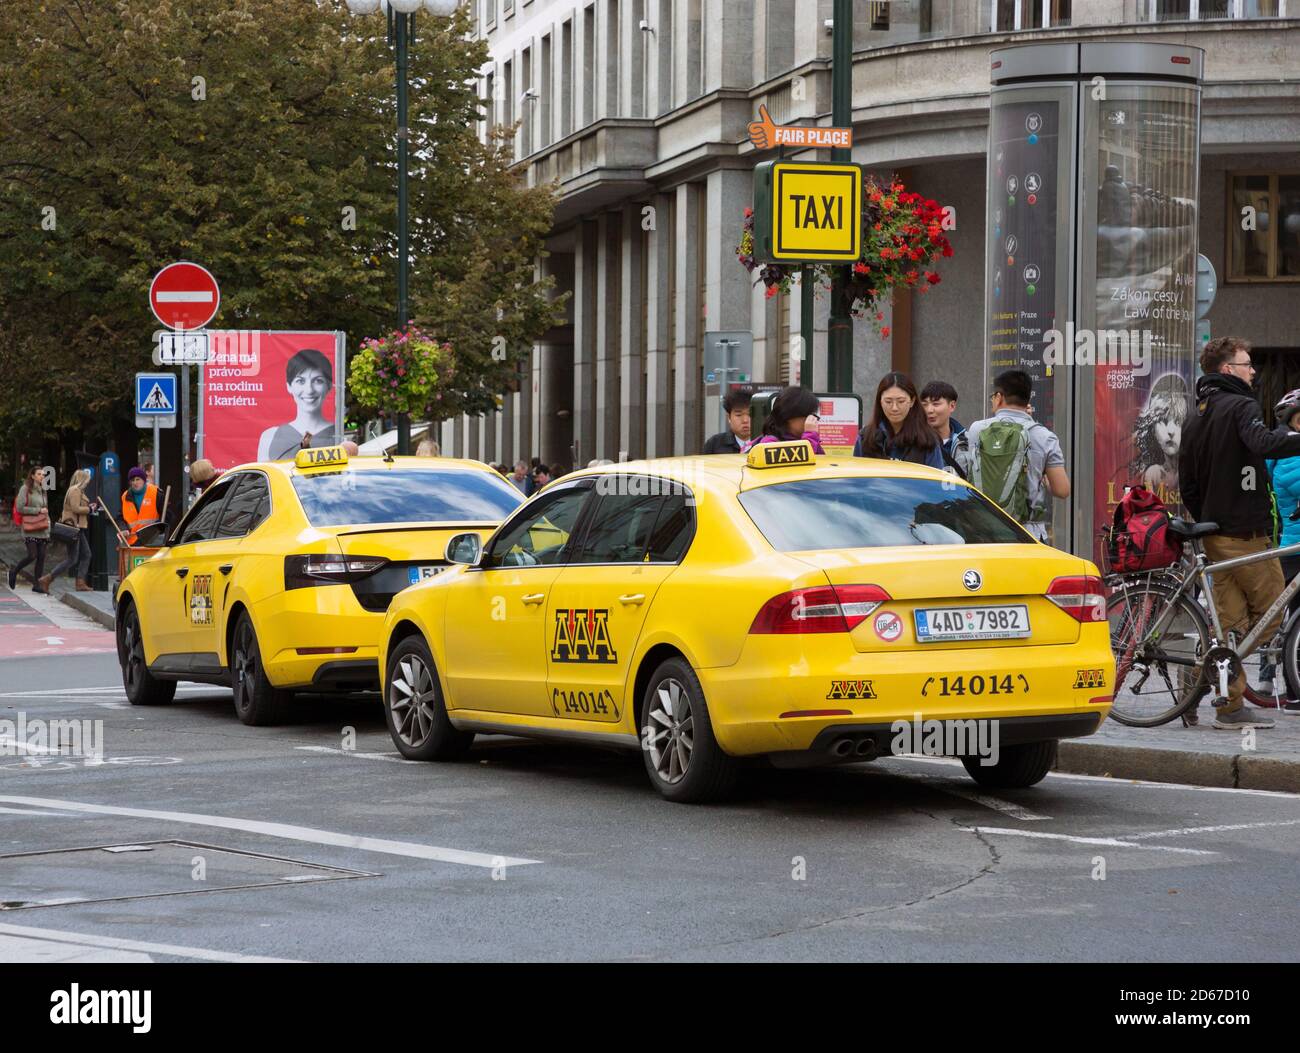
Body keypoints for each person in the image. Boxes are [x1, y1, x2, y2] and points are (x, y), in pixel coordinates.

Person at [1179, 337, 1300, 728]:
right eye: (1248, 364)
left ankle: (1226, 703)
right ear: (1228, 369)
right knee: (1274, 606)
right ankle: (1214, 667)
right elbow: (1262, 443)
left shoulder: (1196, 413)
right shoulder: (1241, 405)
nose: (1254, 371)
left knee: (1229, 625)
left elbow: (1187, 479)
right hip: (1245, 532)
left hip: (1213, 531)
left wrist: (1207, 518)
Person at [957, 369, 1069, 540]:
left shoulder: (977, 430)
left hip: (984, 531)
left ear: (999, 397)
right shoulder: (1045, 437)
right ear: (1028, 399)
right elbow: (1062, 490)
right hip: (1028, 534)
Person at [1261, 389, 1300, 700]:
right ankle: (1285, 684)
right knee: (1282, 616)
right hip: (1293, 547)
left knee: (1285, 616)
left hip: (1290, 545)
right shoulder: (1288, 455)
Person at [256, 348, 336, 460]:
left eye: (318, 381)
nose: (309, 390)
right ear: (289, 386)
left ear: (329, 386)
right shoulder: (270, 437)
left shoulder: (339, 436)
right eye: (301, 381)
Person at [855, 372, 944, 469]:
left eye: (901, 401)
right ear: (880, 401)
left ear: (912, 401)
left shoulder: (928, 440)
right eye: (888, 401)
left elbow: (935, 481)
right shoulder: (865, 438)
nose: (894, 408)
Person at [42, 469, 93, 592]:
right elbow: (75, 508)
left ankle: (80, 582)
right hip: (74, 528)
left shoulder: (76, 490)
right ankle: (48, 578)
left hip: (77, 528)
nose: (88, 483)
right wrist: (89, 509)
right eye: (87, 480)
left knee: (86, 554)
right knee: (73, 558)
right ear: (82, 479)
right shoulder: (75, 490)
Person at [744, 386, 825, 453]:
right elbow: (798, 463)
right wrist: (810, 437)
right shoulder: (770, 443)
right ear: (789, 416)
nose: (812, 420)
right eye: (808, 415)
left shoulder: (808, 439)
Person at [9, 466, 51, 593]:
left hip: (42, 528)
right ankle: (14, 571)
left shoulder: (44, 490)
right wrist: (38, 510)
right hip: (30, 527)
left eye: (43, 474)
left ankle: (37, 585)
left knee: (42, 556)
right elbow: (20, 508)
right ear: (32, 476)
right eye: (39, 474)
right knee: (32, 555)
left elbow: (46, 509)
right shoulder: (25, 488)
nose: (42, 476)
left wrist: (48, 524)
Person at [120, 466, 161, 547]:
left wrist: (158, 530)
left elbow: (167, 516)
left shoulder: (156, 493)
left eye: (138, 479)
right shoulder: (125, 496)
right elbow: (120, 517)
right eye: (132, 480)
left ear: (144, 480)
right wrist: (123, 528)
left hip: (152, 542)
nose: (135, 482)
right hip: (132, 543)